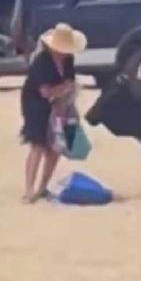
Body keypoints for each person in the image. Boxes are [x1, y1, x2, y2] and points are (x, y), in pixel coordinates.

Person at [20, 23, 86, 202]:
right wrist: (63, 88)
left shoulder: (68, 60)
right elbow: (45, 93)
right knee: (38, 144)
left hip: (60, 106)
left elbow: (69, 83)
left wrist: (62, 90)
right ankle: (29, 189)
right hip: (35, 105)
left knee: (55, 147)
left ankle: (42, 188)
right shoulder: (42, 62)